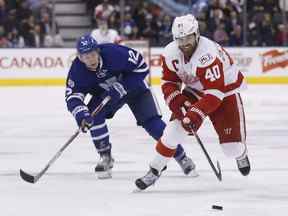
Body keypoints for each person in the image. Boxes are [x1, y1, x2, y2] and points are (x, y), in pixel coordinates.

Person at [135, 14, 251, 190]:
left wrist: (195, 114)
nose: (184, 43)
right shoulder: (170, 52)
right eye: (179, 39)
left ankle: (241, 153)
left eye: (188, 37)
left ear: (196, 34)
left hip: (225, 90)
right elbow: (169, 82)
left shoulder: (208, 54)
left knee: (232, 149)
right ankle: (155, 169)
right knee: (173, 131)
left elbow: (215, 92)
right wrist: (176, 100)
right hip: (196, 89)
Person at [65, 34, 198, 179]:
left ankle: (182, 157)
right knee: (92, 115)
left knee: (153, 123)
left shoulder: (115, 53)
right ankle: (105, 157)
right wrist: (81, 114)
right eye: (85, 56)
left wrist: (123, 86)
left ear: (98, 51)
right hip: (107, 95)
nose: (90, 59)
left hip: (135, 89)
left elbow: (142, 67)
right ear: (79, 57)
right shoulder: (77, 71)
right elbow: (73, 97)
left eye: (92, 54)